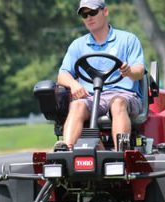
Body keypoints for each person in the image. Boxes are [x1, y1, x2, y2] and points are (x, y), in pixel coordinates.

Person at [57, 0, 145, 151]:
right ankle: (67, 150)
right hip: (91, 97)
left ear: (105, 12)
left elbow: (139, 71)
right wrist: (73, 84)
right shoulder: (78, 45)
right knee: (77, 105)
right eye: (84, 15)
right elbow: (62, 75)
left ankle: (121, 153)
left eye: (93, 12)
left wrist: (129, 72)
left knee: (117, 103)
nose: (89, 17)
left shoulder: (128, 40)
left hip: (124, 95)